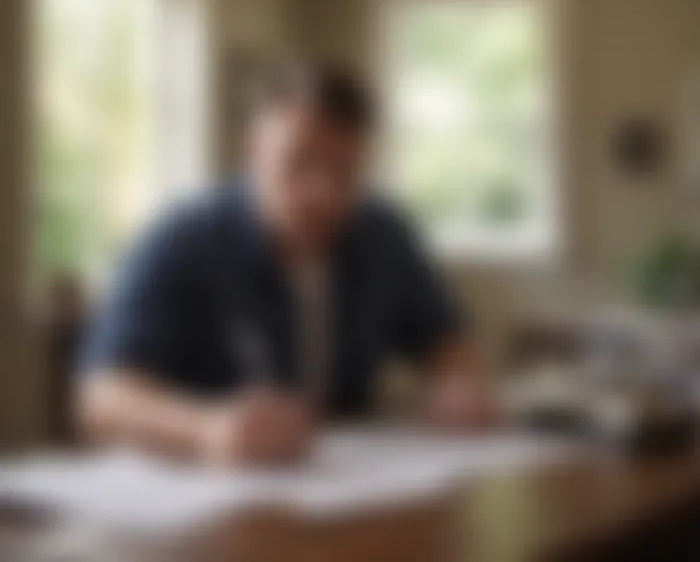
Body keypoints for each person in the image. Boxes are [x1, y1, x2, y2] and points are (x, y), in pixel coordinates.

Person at [77, 61, 495, 465]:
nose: (323, 194)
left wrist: (455, 385)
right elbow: (103, 400)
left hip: (340, 489)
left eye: (344, 173)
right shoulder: (180, 240)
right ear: (253, 150)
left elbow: (445, 341)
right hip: (201, 495)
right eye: (299, 162)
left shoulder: (383, 236)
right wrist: (206, 429)